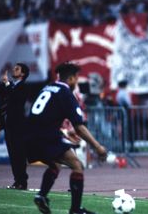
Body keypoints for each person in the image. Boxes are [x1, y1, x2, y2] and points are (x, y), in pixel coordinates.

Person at [25, 62, 107, 214]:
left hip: (30, 136)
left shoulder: (47, 87)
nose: (76, 82)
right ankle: (75, 210)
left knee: (55, 164)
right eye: (76, 78)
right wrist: (98, 147)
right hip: (45, 136)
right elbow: (80, 127)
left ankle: (41, 196)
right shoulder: (66, 93)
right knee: (77, 165)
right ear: (71, 79)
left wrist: (63, 133)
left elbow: (42, 116)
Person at [0, 63, 30, 190]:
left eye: (17, 69)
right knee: (12, 154)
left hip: (18, 126)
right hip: (8, 124)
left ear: (23, 74)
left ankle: (22, 181)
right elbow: (3, 98)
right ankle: (17, 180)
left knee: (19, 154)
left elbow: (16, 98)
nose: (13, 70)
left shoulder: (23, 87)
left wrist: (7, 84)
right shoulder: (11, 86)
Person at [116, 80, 135, 152]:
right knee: (127, 130)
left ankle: (124, 147)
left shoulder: (119, 93)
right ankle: (129, 147)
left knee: (123, 130)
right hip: (125, 113)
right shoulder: (123, 93)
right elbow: (128, 103)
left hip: (122, 113)